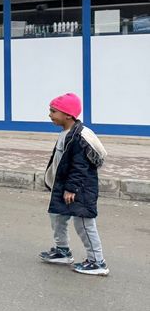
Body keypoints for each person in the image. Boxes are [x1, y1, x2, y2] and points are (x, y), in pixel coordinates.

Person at [39, 93, 109, 276]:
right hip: (64, 186)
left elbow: (80, 167)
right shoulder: (66, 133)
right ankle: (62, 251)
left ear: (68, 115)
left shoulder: (79, 136)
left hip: (80, 189)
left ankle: (97, 262)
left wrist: (71, 188)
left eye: (53, 111)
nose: (50, 115)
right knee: (57, 216)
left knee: (84, 223)